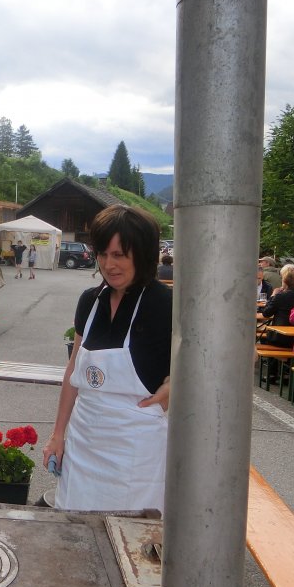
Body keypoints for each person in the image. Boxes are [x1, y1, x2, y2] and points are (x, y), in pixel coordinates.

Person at [43, 205, 171, 512]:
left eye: (119, 255)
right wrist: (57, 435)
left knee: (132, 538)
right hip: (84, 437)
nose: (108, 264)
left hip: (136, 448)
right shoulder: (91, 301)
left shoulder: (166, 304)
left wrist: (179, 381)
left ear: (142, 255)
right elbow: (73, 372)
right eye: (103, 254)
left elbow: (228, 356)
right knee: (75, 528)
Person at [257, 264, 294, 383]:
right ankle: (286, 374)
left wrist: (273, 295)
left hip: (280, 336)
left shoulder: (280, 295)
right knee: (288, 341)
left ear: (285, 279)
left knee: (270, 337)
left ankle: (272, 374)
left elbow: (266, 313)